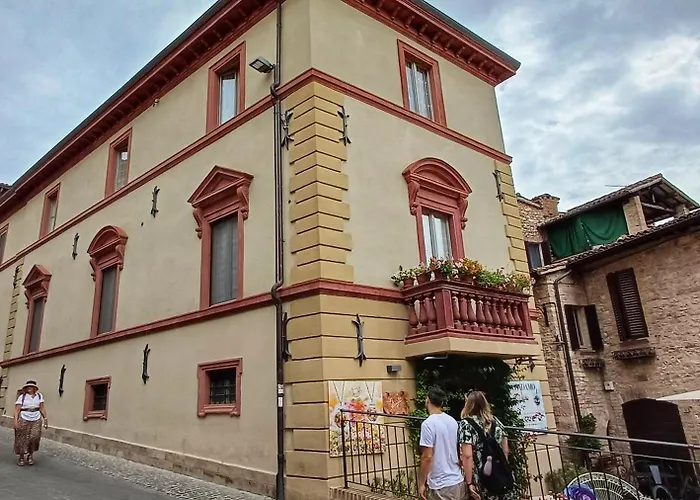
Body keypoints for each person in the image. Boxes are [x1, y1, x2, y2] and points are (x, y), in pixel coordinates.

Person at [458, 391, 511, 500]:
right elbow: (505, 449)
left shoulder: (466, 424)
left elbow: (467, 455)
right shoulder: (495, 421)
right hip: (499, 475)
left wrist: (469, 482)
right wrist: (501, 467)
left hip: (481, 477)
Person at [418, 387, 464, 500]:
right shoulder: (452, 421)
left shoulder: (428, 424)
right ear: (442, 403)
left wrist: (422, 483)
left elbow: (427, 457)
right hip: (457, 479)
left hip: (440, 483)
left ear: (427, 400)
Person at [14, 380, 48, 466]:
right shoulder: (22, 397)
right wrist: (15, 421)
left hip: (36, 418)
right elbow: (17, 410)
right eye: (28, 387)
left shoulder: (39, 396)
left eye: (31, 387)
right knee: (22, 438)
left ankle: (30, 454)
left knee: (34, 437)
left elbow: (42, 408)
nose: (29, 388)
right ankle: (21, 457)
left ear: (34, 388)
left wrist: (45, 419)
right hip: (24, 418)